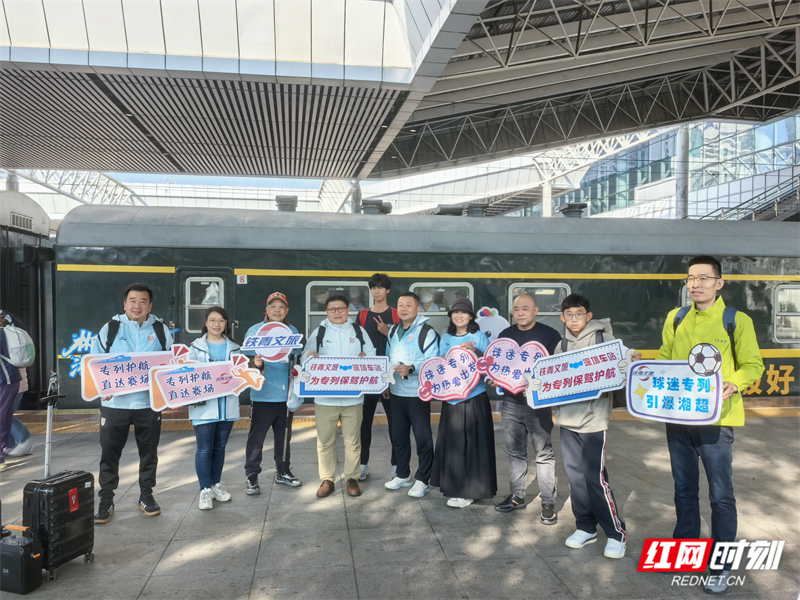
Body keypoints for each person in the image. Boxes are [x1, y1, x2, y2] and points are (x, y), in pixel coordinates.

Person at [656, 256, 764, 594]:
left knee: (721, 496)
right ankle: (685, 553)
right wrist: (646, 371)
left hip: (716, 422)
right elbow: (665, 357)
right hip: (679, 418)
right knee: (684, 491)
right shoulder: (676, 318)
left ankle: (720, 566)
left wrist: (734, 383)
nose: (696, 284)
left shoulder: (735, 320)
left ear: (719, 283)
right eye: (691, 278)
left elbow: (753, 365)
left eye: (704, 277)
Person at [551, 294, 629, 558]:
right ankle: (585, 527)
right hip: (567, 420)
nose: (574, 319)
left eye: (579, 314)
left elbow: (622, 364)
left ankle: (616, 533)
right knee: (576, 479)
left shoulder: (603, 339)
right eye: (569, 315)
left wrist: (629, 361)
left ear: (588, 315)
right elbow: (551, 379)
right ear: (563, 317)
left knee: (595, 478)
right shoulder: (561, 345)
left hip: (594, 421)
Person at [91, 283, 173, 524]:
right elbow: (94, 362)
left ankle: (146, 495)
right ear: (125, 304)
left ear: (150, 305)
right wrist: (101, 388)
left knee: (149, 453)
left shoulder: (160, 330)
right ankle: (106, 499)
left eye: (143, 301)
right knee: (109, 452)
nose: (137, 305)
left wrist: (169, 395)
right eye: (133, 300)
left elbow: (170, 365)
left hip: (148, 404)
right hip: (115, 404)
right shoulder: (111, 328)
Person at [489, 293, 561, 523]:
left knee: (544, 455)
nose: (520, 313)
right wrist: (495, 377)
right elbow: (499, 365)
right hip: (510, 404)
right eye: (516, 309)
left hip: (538, 405)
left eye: (525, 308)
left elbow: (559, 368)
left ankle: (548, 503)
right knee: (515, 452)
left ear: (535, 311)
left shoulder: (550, 335)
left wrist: (538, 385)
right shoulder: (505, 335)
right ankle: (517, 496)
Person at [302, 295, 376, 498]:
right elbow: (304, 357)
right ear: (326, 312)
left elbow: (372, 355)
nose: (337, 312)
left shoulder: (359, 331)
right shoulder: (319, 332)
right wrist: (308, 356)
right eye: (332, 309)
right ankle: (327, 479)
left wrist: (366, 358)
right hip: (325, 398)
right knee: (325, 441)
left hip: (353, 397)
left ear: (347, 310)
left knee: (353, 441)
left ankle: (352, 478)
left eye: (341, 308)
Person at [430, 298, 496, 508]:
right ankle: (455, 487)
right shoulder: (446, 338)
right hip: (451, 399)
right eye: (455, 312)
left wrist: (476, 352)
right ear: (451, 316)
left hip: (474, 397)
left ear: (471, 316)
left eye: (464, 312)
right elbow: (440, 367)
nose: (459, 316)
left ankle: (470, 491)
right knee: (454, 445)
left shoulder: (479, 337)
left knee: (473, 445)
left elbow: (490, 365)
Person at [242, 292, 302, 495]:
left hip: (286, 397)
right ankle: (252, 475)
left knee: (283, 438)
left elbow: (297, 360)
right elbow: (245, 364)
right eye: (273, 306)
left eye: (281, 307)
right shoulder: (254, 332)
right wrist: (255, 363)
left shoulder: (292, 331)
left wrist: (297, 368)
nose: (277, 310)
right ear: (266, 310)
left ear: (287, 310)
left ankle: (283, 471)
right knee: (257, 439)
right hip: (262, 395)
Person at [384, 292, 440, 498]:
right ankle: (402, 474)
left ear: (418, 309)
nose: (404, 308)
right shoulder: (393, 331)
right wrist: (386, 383)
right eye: (400, 305)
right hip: (396, 392)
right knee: (398, 436)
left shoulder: (427, 332)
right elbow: (387, 357)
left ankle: (423, 479)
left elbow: (433, 361)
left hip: (418, 394)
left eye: (409, 305)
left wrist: (412, 368)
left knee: (422, 438)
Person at [188, 306, 240, 510]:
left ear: (226, 324)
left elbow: (241, 374)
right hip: (204, 408)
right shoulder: (194, 348)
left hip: (227, 406)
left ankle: (216, 485)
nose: (217, 324)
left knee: (220, 448)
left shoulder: (235, 348)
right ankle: (205, 491)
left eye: (221, 321)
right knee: (204, 449)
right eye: (212, 320)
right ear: (206, 323)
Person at [358, 273, 399, 481]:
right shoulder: (362, 315)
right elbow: (356, 342)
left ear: (387, 290)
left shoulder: (397, 314)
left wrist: (388, 331)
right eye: (374, 287)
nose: (377, 291)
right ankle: (362, 465)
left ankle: (397, 466)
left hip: (391, 377)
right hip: (368, 377)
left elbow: (403, 343)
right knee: (363, 423)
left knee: (395, 424)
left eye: (381, 287)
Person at [0, 315, 22, 471]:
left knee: (2, 418)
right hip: (12, 380)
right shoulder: (8, 332)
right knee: (5, 417)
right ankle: (2, 453)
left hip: (3, 380)